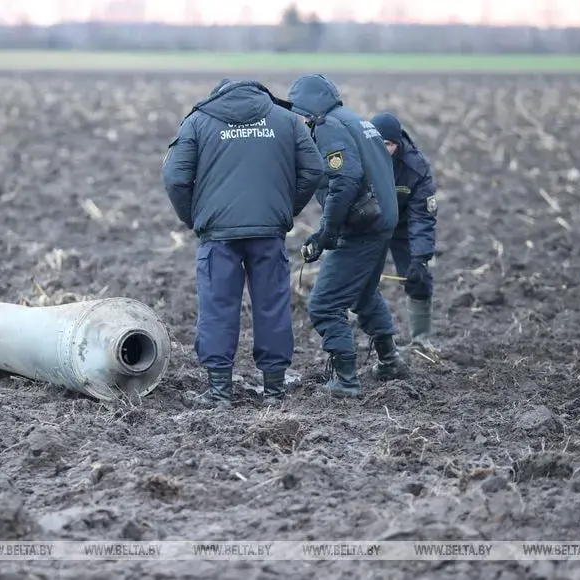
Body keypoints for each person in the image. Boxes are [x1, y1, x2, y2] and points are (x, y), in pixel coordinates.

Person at [161, 79, 326, 408]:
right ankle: (275, 392)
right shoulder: (286, 121)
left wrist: (194, 217)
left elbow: (175, 177)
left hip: (217, 235)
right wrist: (284, 209)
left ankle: (220, 391)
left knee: (217, 307)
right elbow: (314, 169)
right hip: (268, 232)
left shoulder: (198, 121)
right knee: (272, 306)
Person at [286, 73, 409, 398]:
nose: (296, 119)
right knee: (363, 293)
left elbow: (346, 179)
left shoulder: (328, 128)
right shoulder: (356, 121)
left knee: (325, 304)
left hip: (363, 228)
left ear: (310, 109)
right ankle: (390, 360)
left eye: (298, 111)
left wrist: (327, 231)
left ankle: (345, 379)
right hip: (382, 220)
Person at [370, 112, 438, 350]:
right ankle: (366, 337)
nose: (381, 149)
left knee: (418, 278)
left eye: (387, 144)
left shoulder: (415, 167)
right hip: (368, 226)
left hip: (403, 227)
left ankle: (421, 340)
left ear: (397, 144)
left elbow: (422, 216)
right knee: (356, 279)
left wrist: (421, 257)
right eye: (377, 143)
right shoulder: (359, 158)